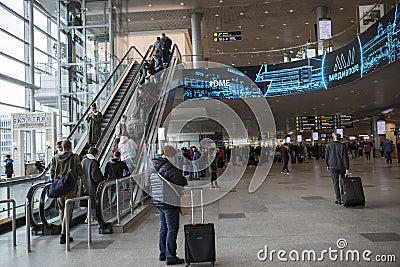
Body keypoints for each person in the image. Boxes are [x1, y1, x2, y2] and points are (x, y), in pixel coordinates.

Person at [150, 145, 187, 265]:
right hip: (169, 201)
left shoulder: (154, 165)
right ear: (171, 155)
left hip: (158, 201)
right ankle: (171, 256)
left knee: (164, 228)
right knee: (172, 229)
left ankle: (163, 253)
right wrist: (184, 178)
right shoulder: (168, 166)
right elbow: (181, 181)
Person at [49, 139, 88, 244]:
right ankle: (64, 234)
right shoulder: (74, 158)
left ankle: (64, 231)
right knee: (68, 209)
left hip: (59, 187)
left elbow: (51, 173)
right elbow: (80, 172)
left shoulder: (55, 158)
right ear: (70, 146)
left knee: (61, 210)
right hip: (71, 186)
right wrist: (85, 184)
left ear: (62, 147)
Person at [325, 133, 350, 205]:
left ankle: (338, 199)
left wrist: (327, 165)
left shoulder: (329, 146)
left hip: (332, 166)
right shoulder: (342, 146)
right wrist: (347, 168)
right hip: (341, 166)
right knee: (343, 182)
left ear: (334, 138)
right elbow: (345, 158)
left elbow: (326, 156)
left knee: (335, 183)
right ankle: (344, 197)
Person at [81, 147, 104, 224]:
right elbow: (95, 176)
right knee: (93, 201)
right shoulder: (93, 162)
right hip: (92, 185)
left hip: (85, 185)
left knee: (88, 201)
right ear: (95, 154)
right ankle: (92, 218)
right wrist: (101, 183)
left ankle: (88, 217)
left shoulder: (83, 161)